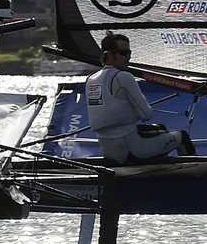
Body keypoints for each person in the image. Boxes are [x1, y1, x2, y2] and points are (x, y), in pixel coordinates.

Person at [83, 32, 194, 162]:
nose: (128, 57)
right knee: (182, 137)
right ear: (110, 54)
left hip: (110, 150)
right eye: (123, 53)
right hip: (131, 150)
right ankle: (197, 171)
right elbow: (146, 115)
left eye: (129, 53)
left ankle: (158, 168)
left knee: (159, 127)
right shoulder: (123, 77)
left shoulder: (91, 79)